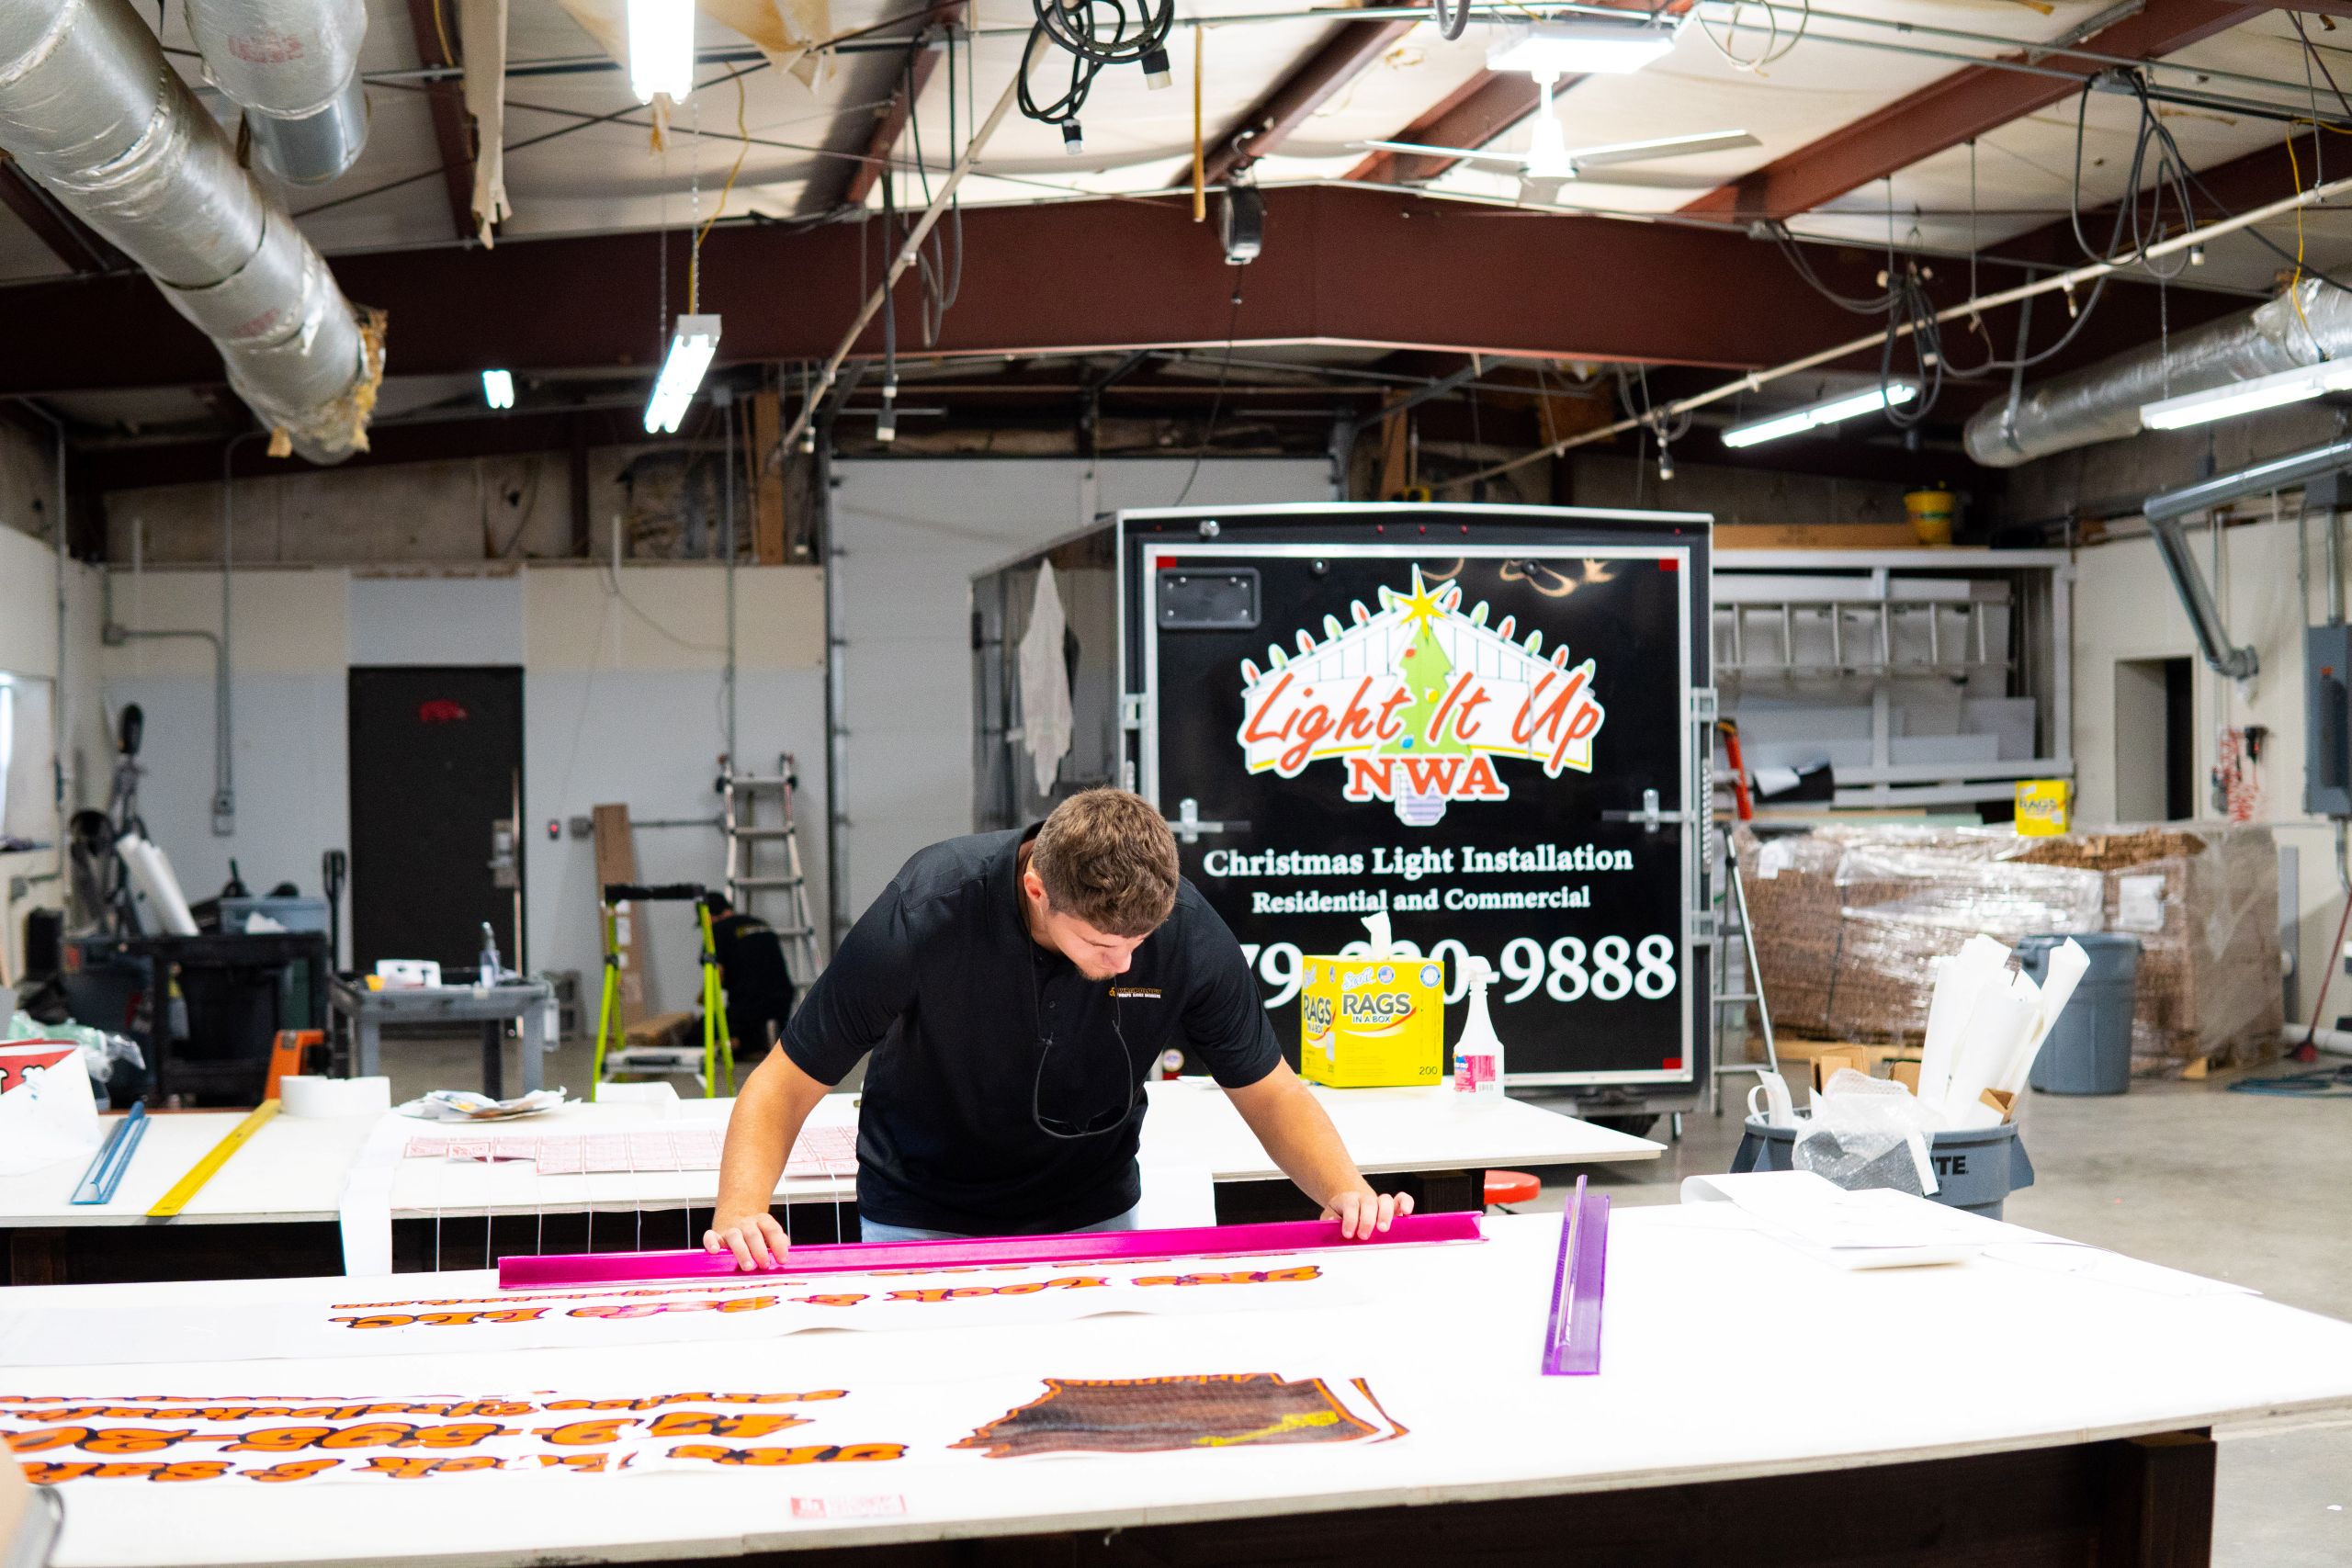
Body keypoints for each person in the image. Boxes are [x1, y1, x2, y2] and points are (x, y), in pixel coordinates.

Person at [704, 788, 1414, 1265]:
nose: (1127, 959)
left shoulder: (1189, 931)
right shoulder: (927, 911)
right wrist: (740, 1209)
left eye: (1143, 939)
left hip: (1093, 1211)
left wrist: (1344, 1188)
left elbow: (1272, 1092)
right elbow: (784, 1084)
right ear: (1037, 888)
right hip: (923, 1211)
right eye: (1103, 945)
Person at [700, 891, 797, 1063]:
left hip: (748, 1004)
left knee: (698, 1032)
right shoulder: (760, 923)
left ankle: (742, 1043)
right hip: (783, 999)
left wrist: (704, 999)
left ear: (708, 916)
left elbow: (716, 974)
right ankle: (759, 1039)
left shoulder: (716, 931)